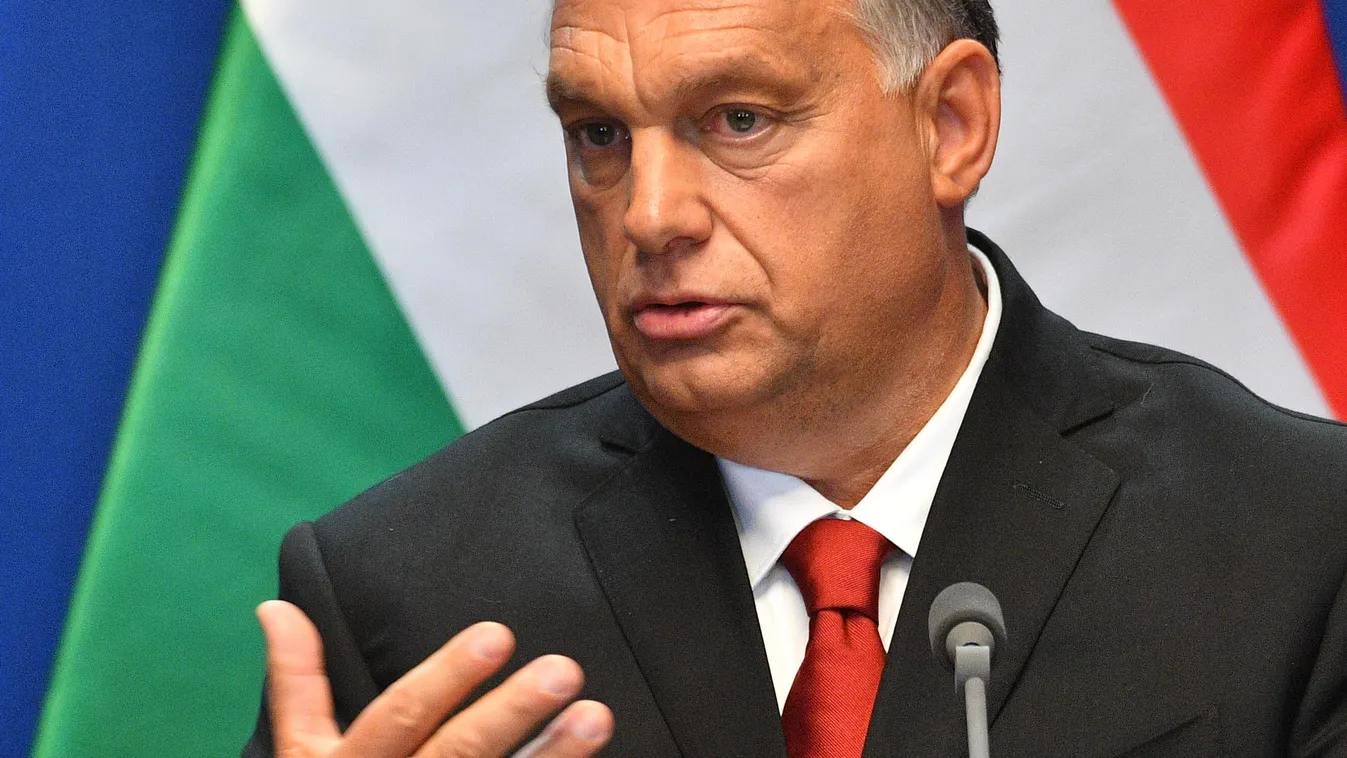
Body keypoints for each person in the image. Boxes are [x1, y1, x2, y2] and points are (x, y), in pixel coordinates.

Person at [242, 0, 1347, 755]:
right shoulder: (408, 601)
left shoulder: (1302, 544)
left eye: (738, 120)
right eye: (598, 133)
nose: (650, 213)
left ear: (951, 124)